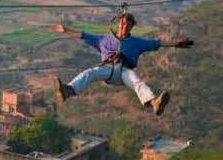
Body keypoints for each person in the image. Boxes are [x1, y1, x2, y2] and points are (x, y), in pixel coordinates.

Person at [53, 12, 193, 116]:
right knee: (90, 73)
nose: (124, 26)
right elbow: (83, 35)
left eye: (127, 24)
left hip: (125, 71)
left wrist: (178, 44)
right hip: (108, 69)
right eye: (122, 23)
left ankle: (153, 102)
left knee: (136, 81)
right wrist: (65, 30)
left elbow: (158, 43)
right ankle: (69, 90)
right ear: (118, 24)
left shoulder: (137, 42)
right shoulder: (103, 40)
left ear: (131, 27)